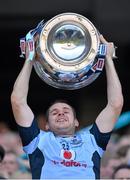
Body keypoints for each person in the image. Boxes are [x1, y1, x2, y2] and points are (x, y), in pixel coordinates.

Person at [11, 34, 123, 179]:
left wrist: (108, 58)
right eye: (54, 113)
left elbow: (115, 104)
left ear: (76, 122)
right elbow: (18, 102)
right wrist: (29, 59)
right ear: (47, 125)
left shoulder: (92, 140)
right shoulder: (37, 140)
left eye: (66, 111)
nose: (61, 114)